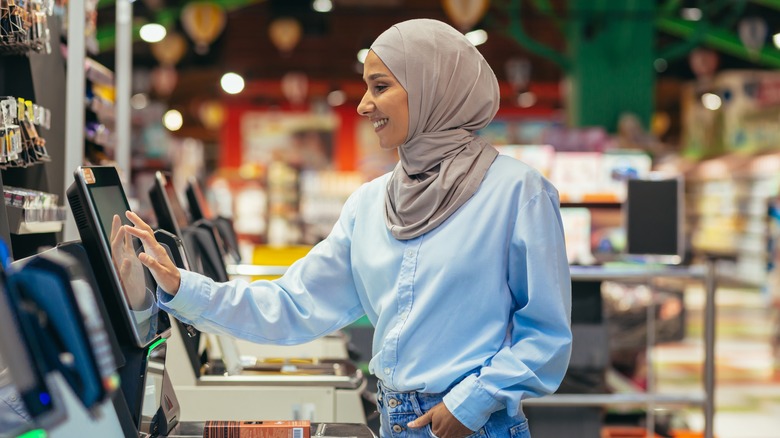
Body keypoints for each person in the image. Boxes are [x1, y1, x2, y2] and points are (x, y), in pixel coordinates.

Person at [117, 18, 572, 438]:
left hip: (473, 424)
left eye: (380, 86)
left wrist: (471, 403)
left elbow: (546, 335)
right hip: (394, 417)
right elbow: (292, 305)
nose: (362, 105)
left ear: (432, 87)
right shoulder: (371, 203)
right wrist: (180, 286)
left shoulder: (518, 193)